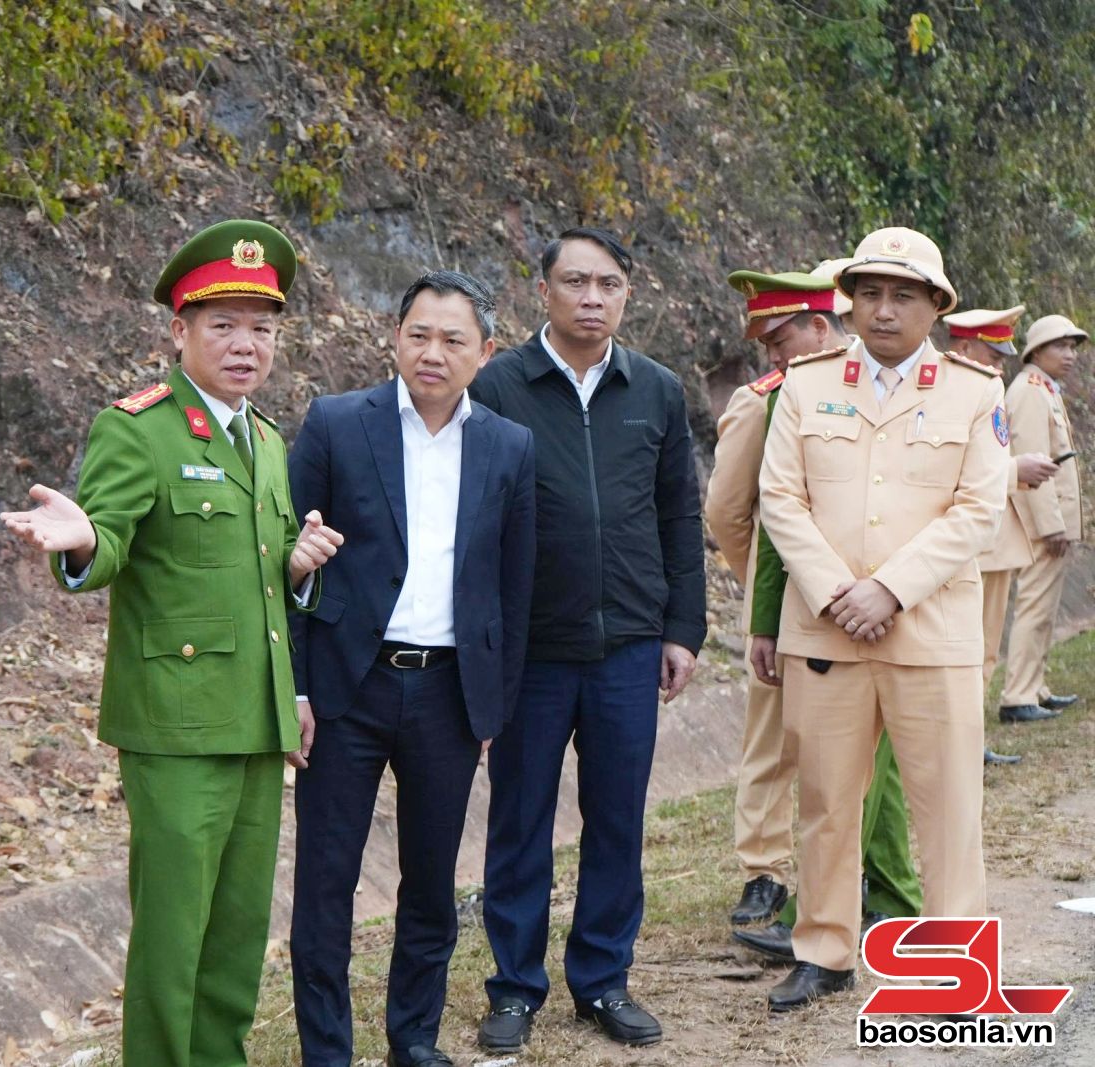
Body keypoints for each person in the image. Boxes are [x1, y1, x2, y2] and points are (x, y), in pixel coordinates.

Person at [0, 220, 343, 1067]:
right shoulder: (139, 428)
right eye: (223, 324)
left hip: (256, 722)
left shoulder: (266, 439)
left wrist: (296, 568)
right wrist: (84, 539)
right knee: (173, 936)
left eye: (261, 327)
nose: (245, 344)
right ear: (179, 331)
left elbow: (254, 576)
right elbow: (108, 540)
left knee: (236, 937)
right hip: (176, 727)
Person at [285, 271, 536, 1067]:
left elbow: (515, 587)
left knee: (430, 881)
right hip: (345, 687)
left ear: (485, 352)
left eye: (453, 339)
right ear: (394, 338)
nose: (433, 352)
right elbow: (285, 564)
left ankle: (414, 1037)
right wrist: (295, 686)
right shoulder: (335, 423)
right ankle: (327, 1049)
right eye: (419, 334)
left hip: (448, 692)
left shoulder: (508, 445)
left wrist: (493, 707)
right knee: (326, 881)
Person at [757, 226, 1009, 1010]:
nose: (885, 309)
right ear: (849, 303)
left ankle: (956, 957)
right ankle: (825, 949)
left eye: (903, 294)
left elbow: (979, 509)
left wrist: (890, 590)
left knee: (948, 804)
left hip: (931, 634)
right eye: (870, 293)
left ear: (937, 306)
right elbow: (779, 498)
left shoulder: (975, 391)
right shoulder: (806, 384)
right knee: (828, 802)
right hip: (827, 630)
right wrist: (839, 590)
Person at [470, 228, 706, 1049]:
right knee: (520, 818)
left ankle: (603, 979)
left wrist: (683, 627)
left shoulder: (657, 390)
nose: (592, 298)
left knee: (615, 819)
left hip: (629, 644)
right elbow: (474, 523)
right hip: (531, 650)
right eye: (575, 282)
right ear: (544, 291)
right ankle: (514, 987)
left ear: (627, 294)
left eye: (608, 284)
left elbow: (679, 514)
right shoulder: (498, 386)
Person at [709, 270, 921, 968]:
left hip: (887, 605)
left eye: (781, 339)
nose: (773, 356)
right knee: (782, 747)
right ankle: (771, 876)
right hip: (799, 607)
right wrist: (767, 598)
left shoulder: (891, 391)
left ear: (822, 326)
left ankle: (882, 893)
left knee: (876, 765)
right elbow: (741, 515)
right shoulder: (770, 400)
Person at [942, 306, 1060, 757]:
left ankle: (970, 742)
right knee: (973, 651)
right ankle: (963, 746)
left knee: (985, 650)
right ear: (965, 347)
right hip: (974, 544)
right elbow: (950, 470)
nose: (999, 368)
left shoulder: (977, 391)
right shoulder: (950, 394)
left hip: (992, 541)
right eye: (993, 357)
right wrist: (1015, 470)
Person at [999, 314, 1086, 722]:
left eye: (1072, 347)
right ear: (1036, 352)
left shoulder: (1044, 388)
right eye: (1060, 346)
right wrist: (1051, 525)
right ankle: (1018, 695)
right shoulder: (1030, 391)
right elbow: (1033, 462)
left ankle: (1034, 687)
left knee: (1045, 610)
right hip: (1042, 524)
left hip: (1052, 520)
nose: (1070, 355)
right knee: (1035, 608)